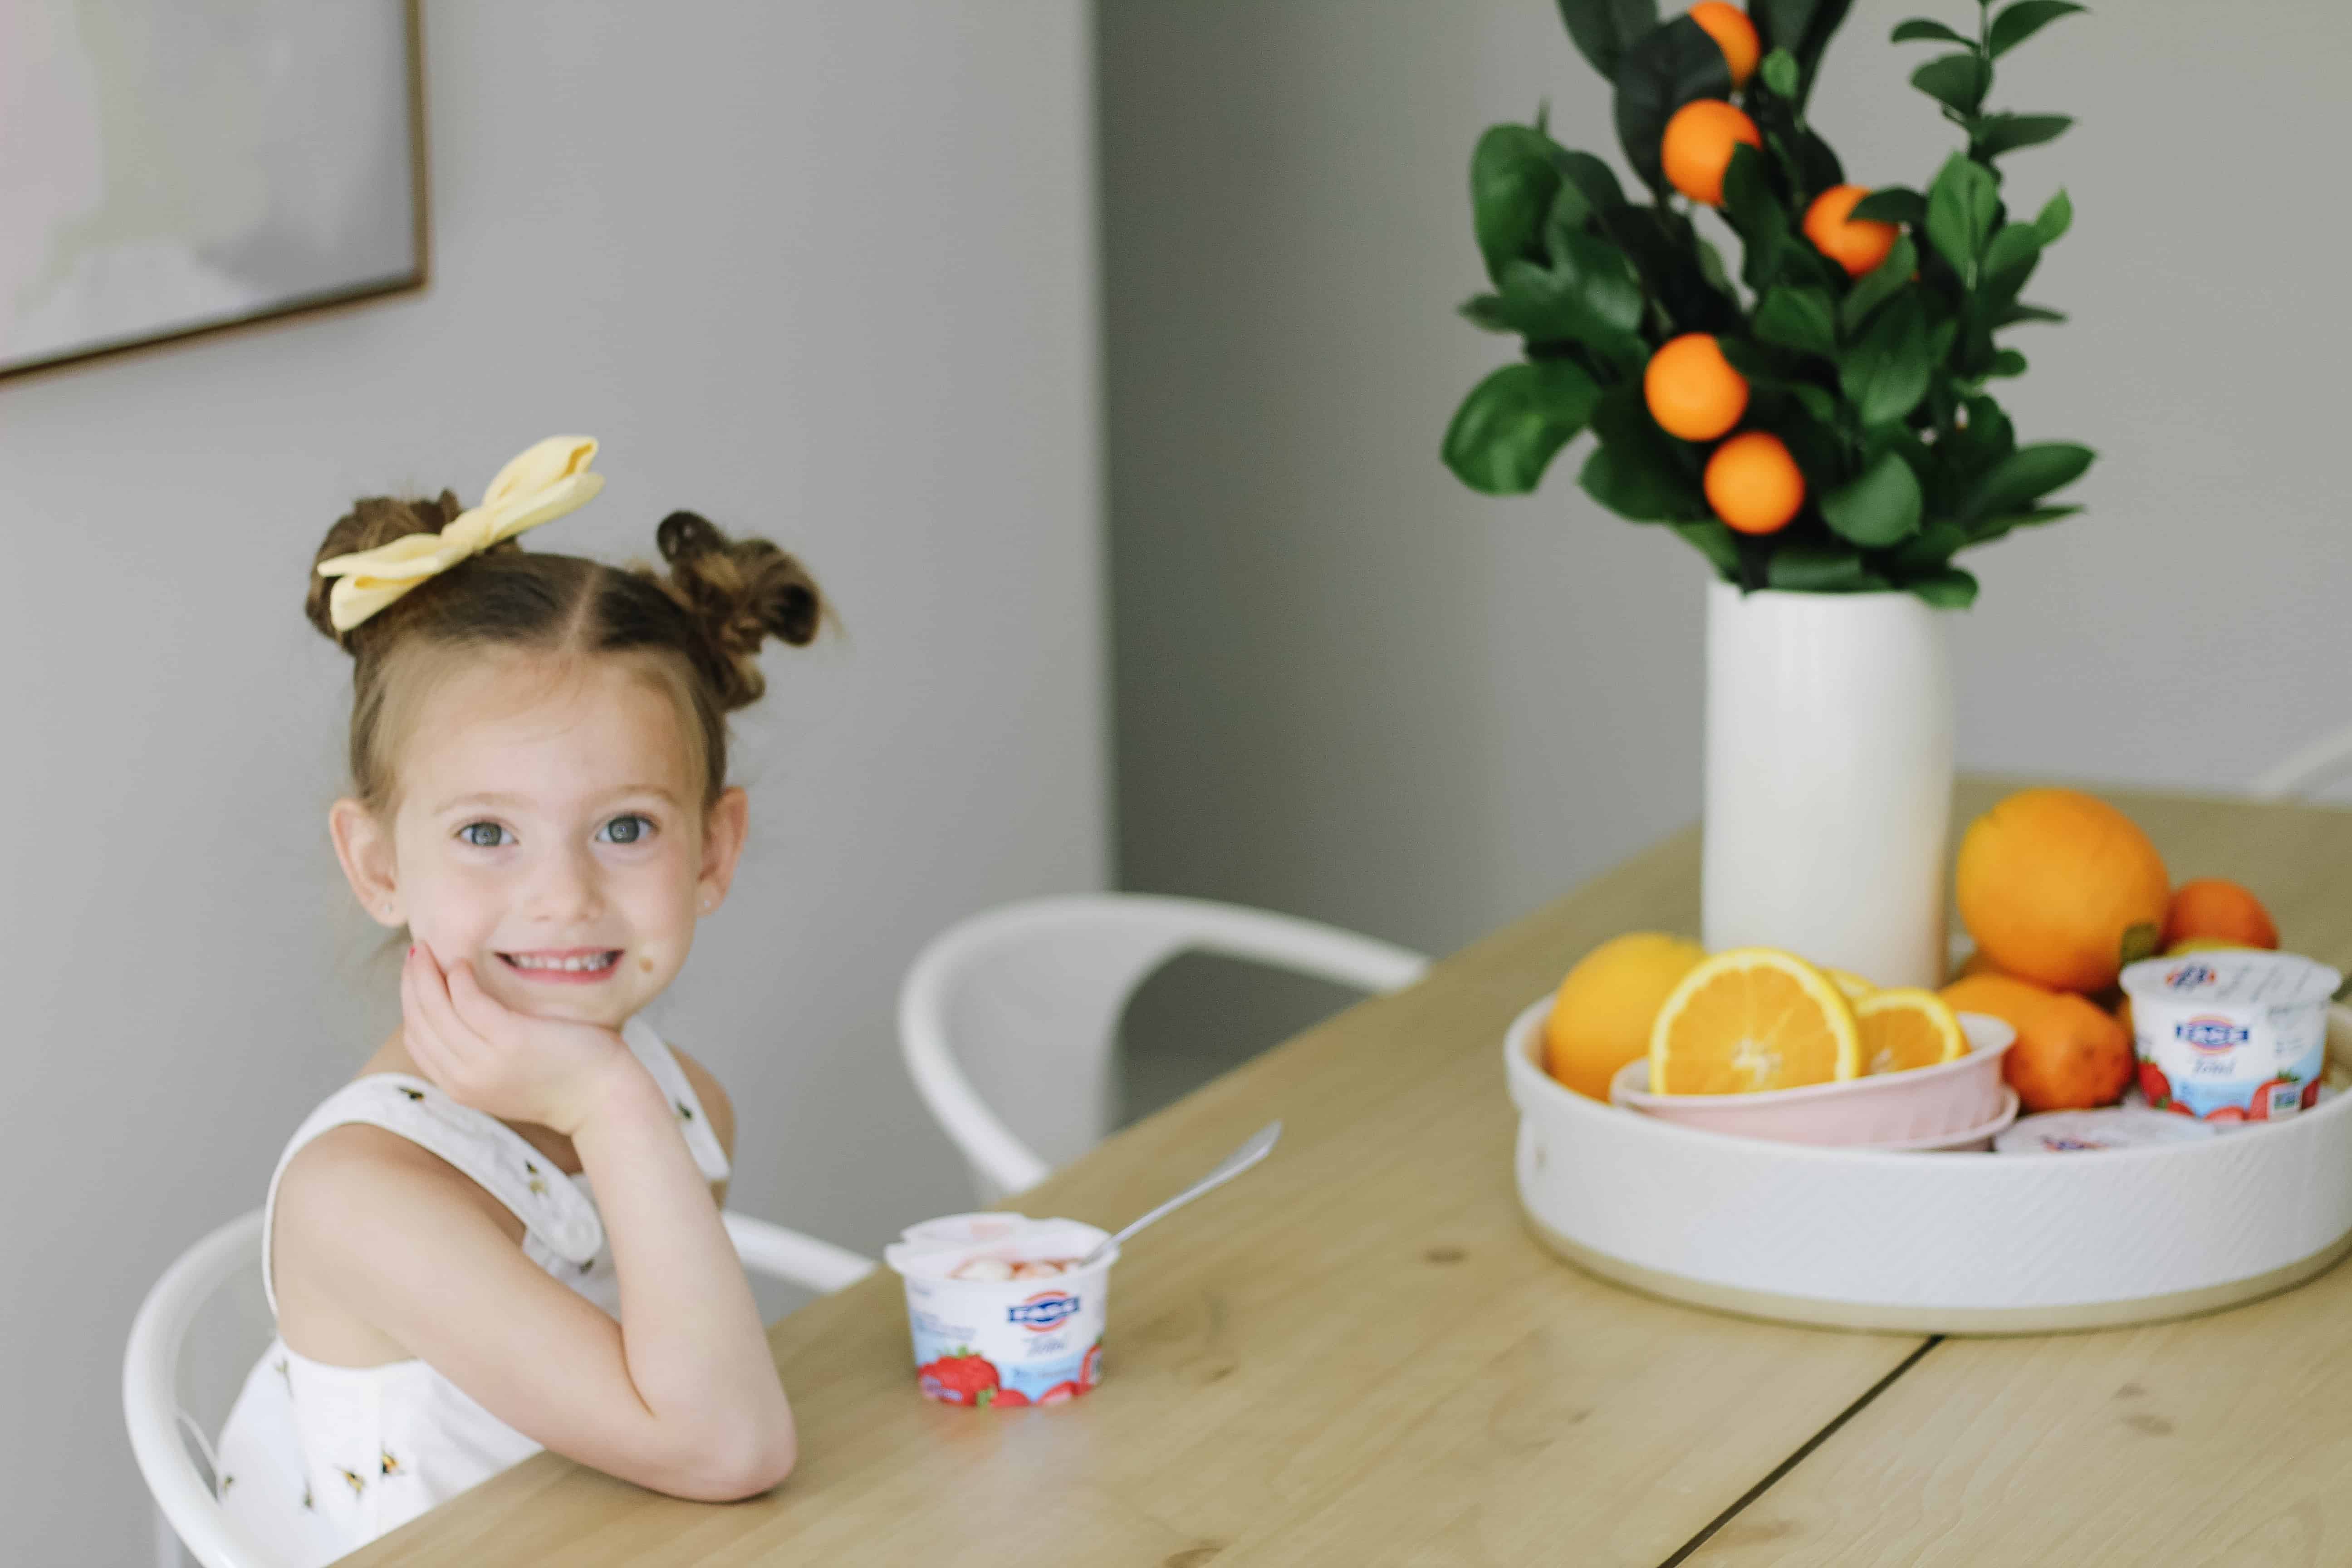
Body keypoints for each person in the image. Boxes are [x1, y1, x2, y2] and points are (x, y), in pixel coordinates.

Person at [211, 436, 819, 1564]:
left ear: (712, 850)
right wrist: (613, 1106)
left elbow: (680, 1450)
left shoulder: (681, 1107)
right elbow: (727, 1449)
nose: (563, 897)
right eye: (487, 834)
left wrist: (617, 1107)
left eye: (626, 828)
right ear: (380, 864)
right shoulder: (367, 1198)